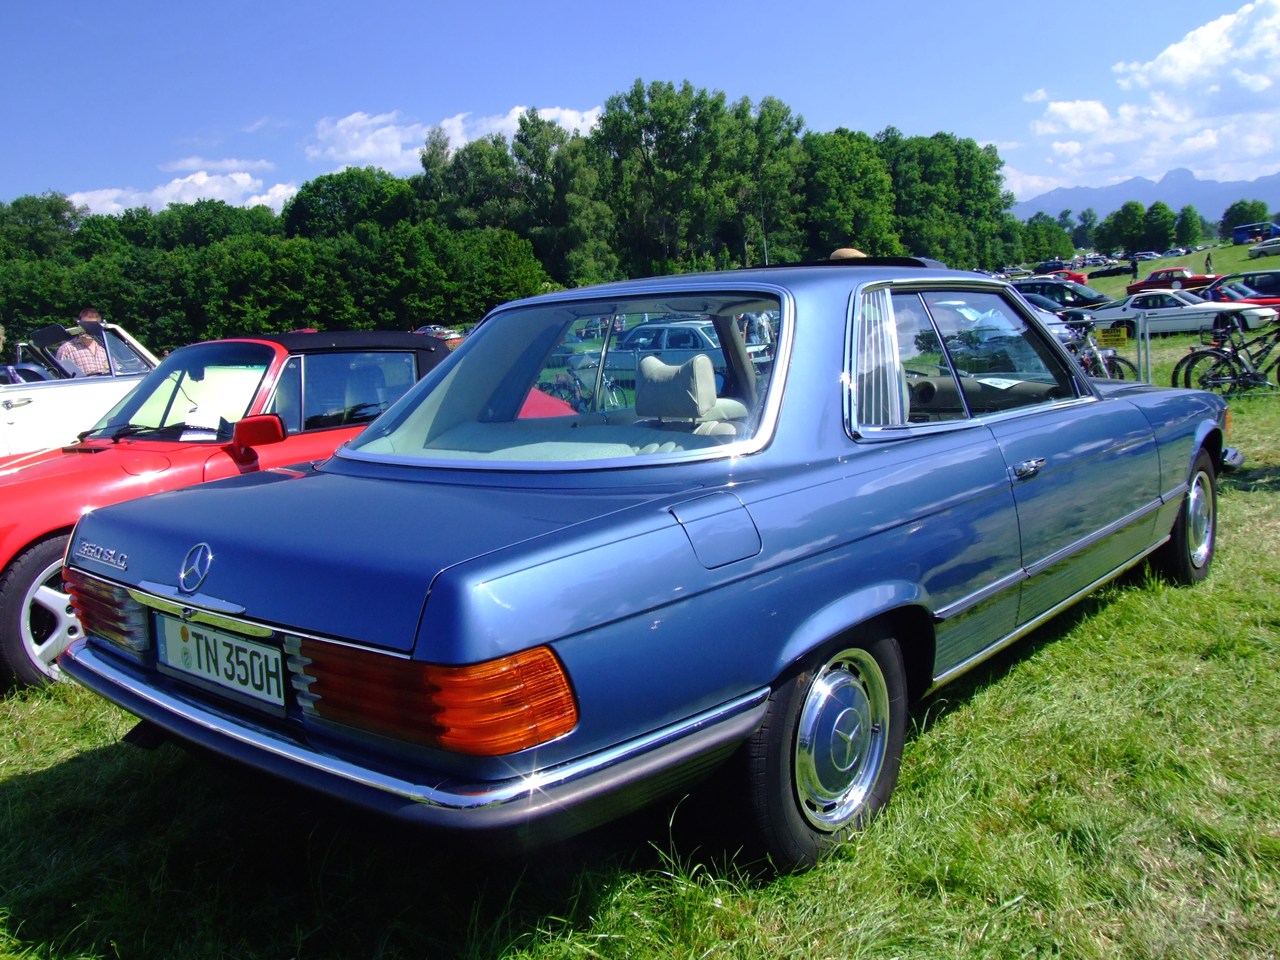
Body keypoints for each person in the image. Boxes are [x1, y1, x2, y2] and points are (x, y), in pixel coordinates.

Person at [55, 307, 110, 375]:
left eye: (91, 327)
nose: (86, 329)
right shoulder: (66, 349)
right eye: (83, 325)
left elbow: (116, 372)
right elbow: (60, 377)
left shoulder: (105, 349)